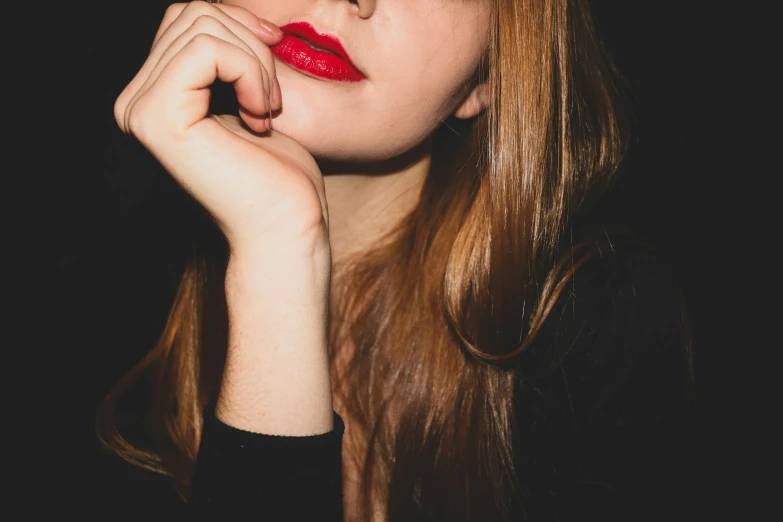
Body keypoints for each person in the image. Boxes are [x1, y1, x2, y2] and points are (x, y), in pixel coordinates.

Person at [94, 0, 698, 520]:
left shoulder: (591, 328)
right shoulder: (97, 298)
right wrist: (277, 253)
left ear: (485, 78)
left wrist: (282, 246)